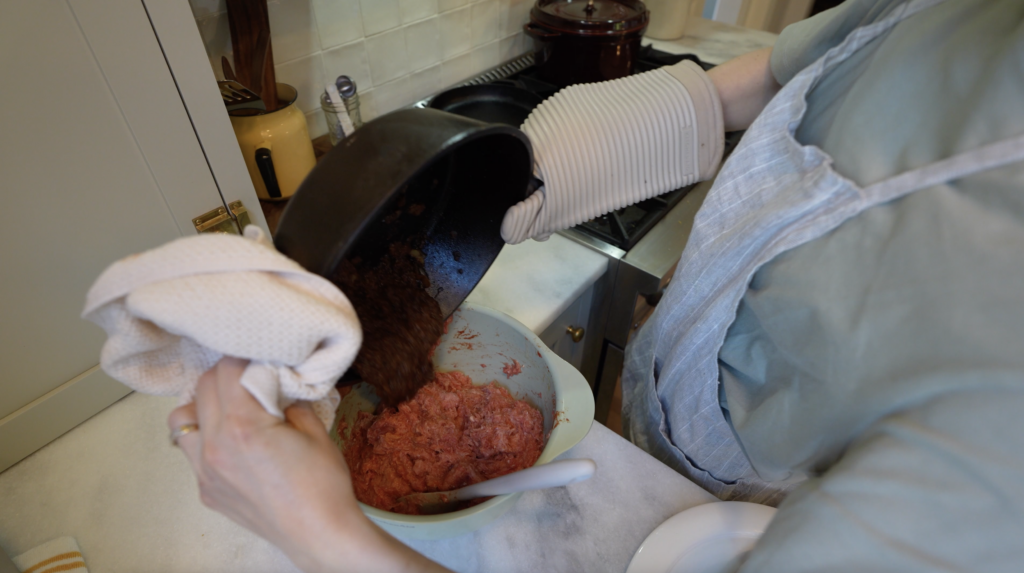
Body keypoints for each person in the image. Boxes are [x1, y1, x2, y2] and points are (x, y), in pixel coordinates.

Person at [168, 0, 1024, 570]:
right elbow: (783, 76)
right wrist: (542, 170)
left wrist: (318, 531)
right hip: (679, 396)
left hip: (768, 490)